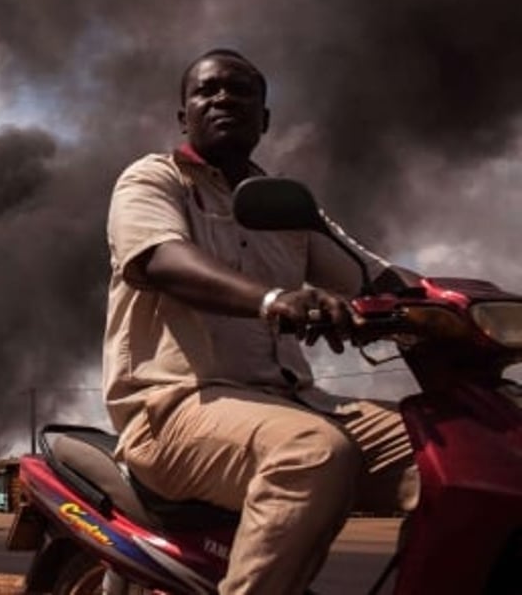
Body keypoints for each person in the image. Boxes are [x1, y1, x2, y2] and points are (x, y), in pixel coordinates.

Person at [104, 48, 418, 595]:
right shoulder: (154, 180)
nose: (224, 98)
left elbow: (375, 275)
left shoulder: (284, 206)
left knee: (450, 448)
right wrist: (275, 298)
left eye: (241, 91)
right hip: (173, 406)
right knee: (314, 454)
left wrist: (455, 303)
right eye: (208, 90)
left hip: (294, 400)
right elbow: (163, 259)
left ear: (265, 119)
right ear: (184, 116)